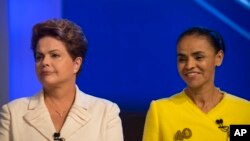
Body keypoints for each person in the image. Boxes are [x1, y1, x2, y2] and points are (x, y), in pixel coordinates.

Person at [0, 19, 123, 141]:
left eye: (54, 55)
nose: (45, 62)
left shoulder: (106, 113)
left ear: (76, 64)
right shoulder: (13, 113)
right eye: (39, 57)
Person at [142, 27, 250, 141]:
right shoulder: (160, 111)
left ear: (218, 58)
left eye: (199, 57)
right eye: (182, 59)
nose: (189, 65)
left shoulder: (244, 112)